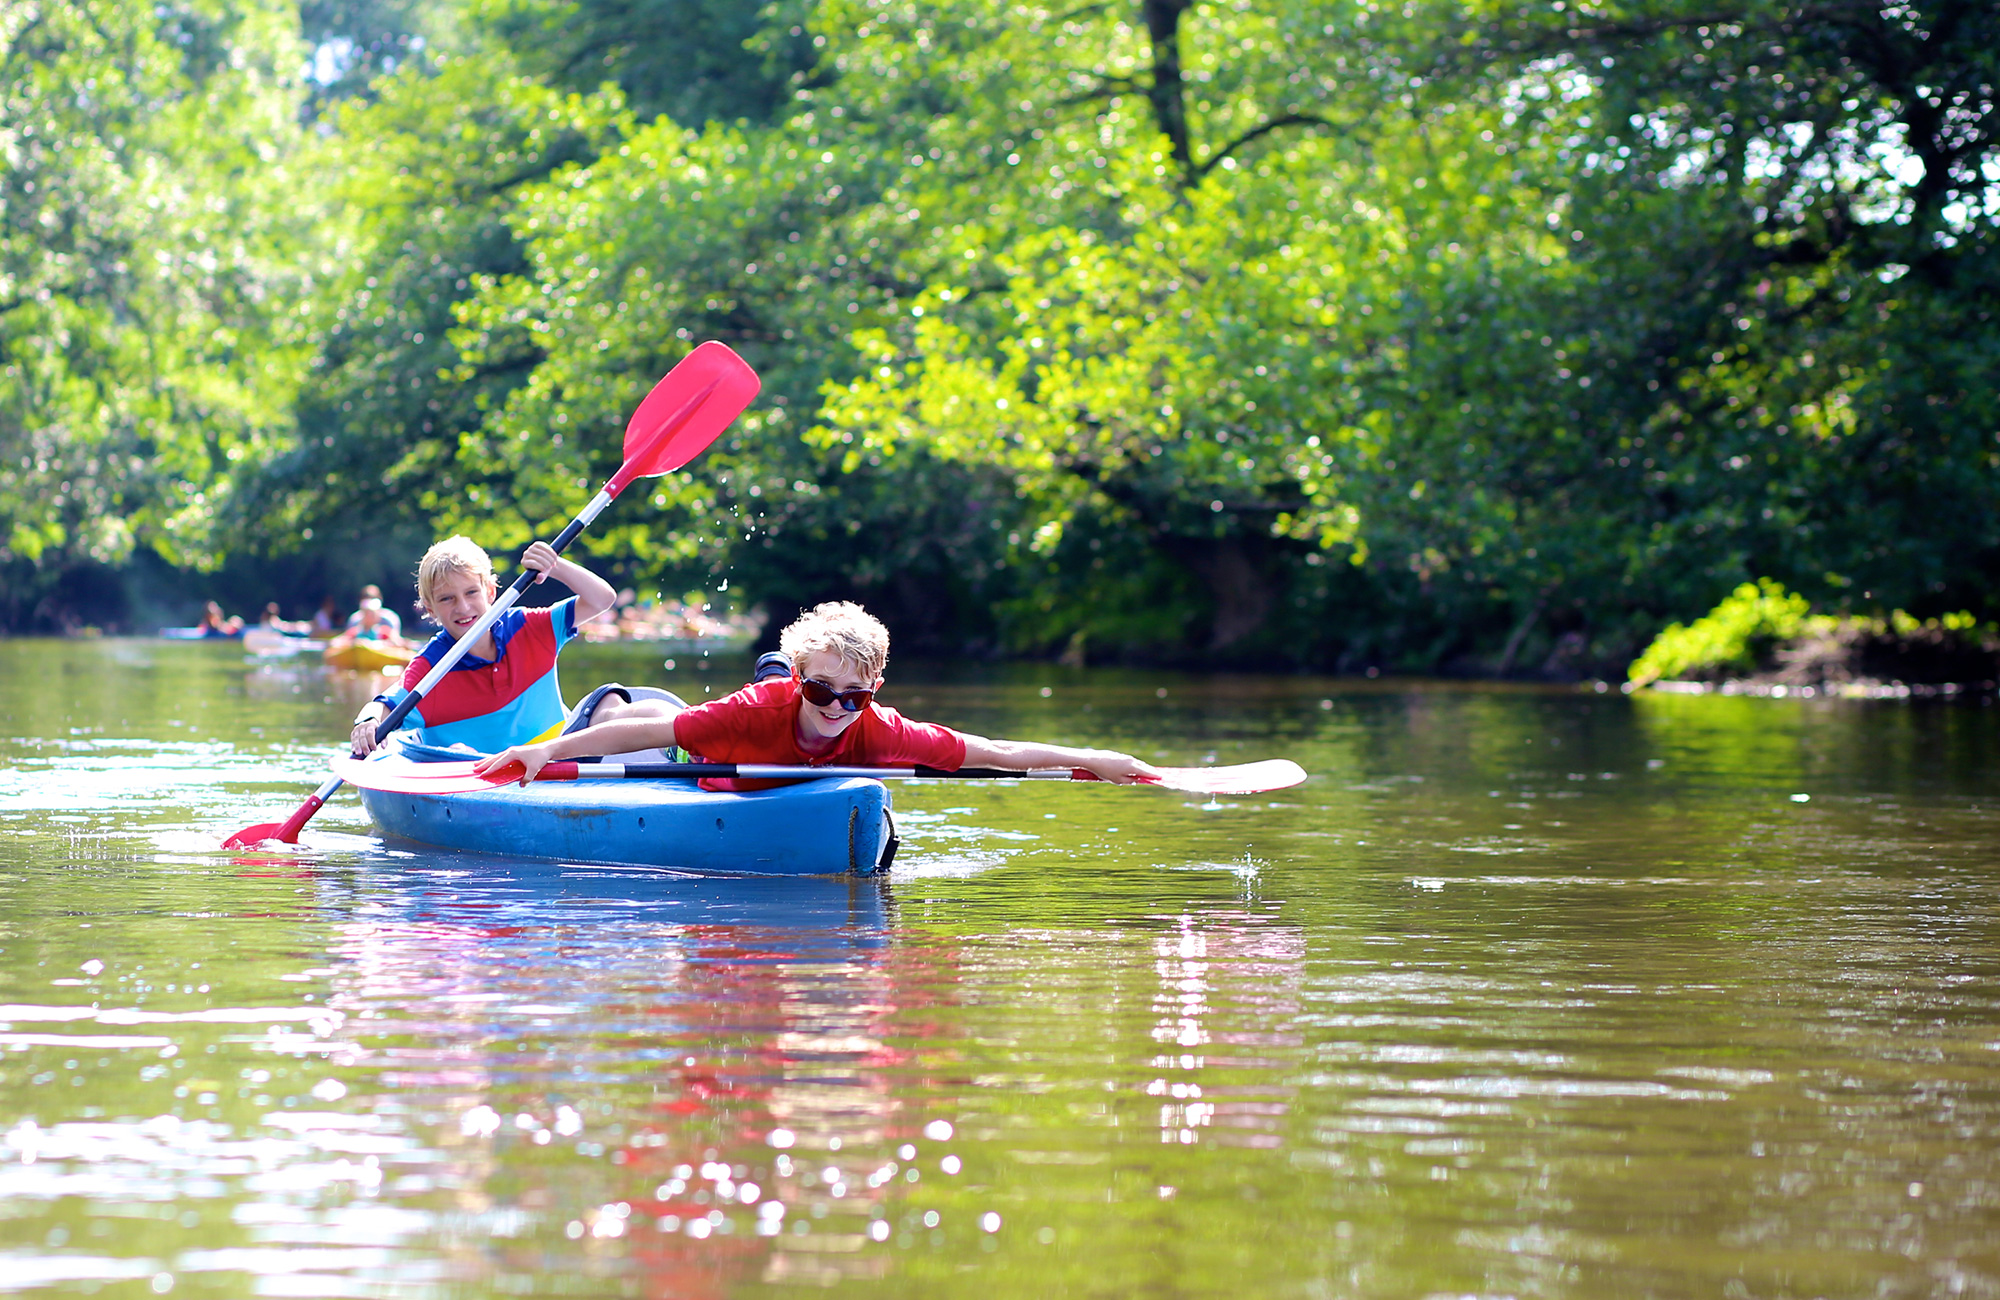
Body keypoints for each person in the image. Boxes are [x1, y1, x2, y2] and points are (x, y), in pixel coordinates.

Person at [472, 600, 1158, 789]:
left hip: (777, 726)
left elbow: (999, 753)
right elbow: (635, 742)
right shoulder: (750, 714)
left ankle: (778, 665)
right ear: (808, 683)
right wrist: (551, 751)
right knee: (667, 721)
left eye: (851, 698)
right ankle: (619, 693)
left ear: (874, 691)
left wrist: (1097, 757)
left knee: (766, 698)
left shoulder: (883, 730)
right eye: (821, 691)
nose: (836, 708)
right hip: (711, 765)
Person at [348, 536, 618, 756]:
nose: (463, 607)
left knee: (610, 701)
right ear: (430, 609)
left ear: (490, 591)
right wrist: (368, 720)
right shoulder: (431, 666)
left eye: (471, 592)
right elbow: (385, 704)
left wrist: (555, 565)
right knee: (458, 750)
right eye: (447, 599)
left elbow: (602, 599)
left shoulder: (530, 626)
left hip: (555, 762)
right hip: (479, 778)